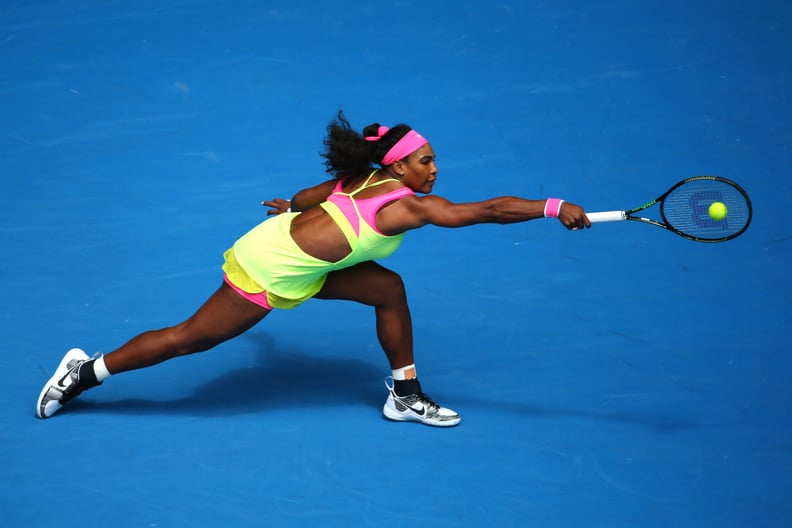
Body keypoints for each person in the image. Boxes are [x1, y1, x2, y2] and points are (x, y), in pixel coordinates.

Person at [36, 112, 591, 427]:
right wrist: (552, 207)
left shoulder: (364, 178)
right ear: (399, 164)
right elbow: (488, 211)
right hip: (271, 268)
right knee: (189, 340)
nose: (435, 169)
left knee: (387, 289)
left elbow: (309, 194)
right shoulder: (411, 205)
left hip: (290, 249)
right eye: (426, 161)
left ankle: (404, 393)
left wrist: (291, 210)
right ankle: (85, 370)